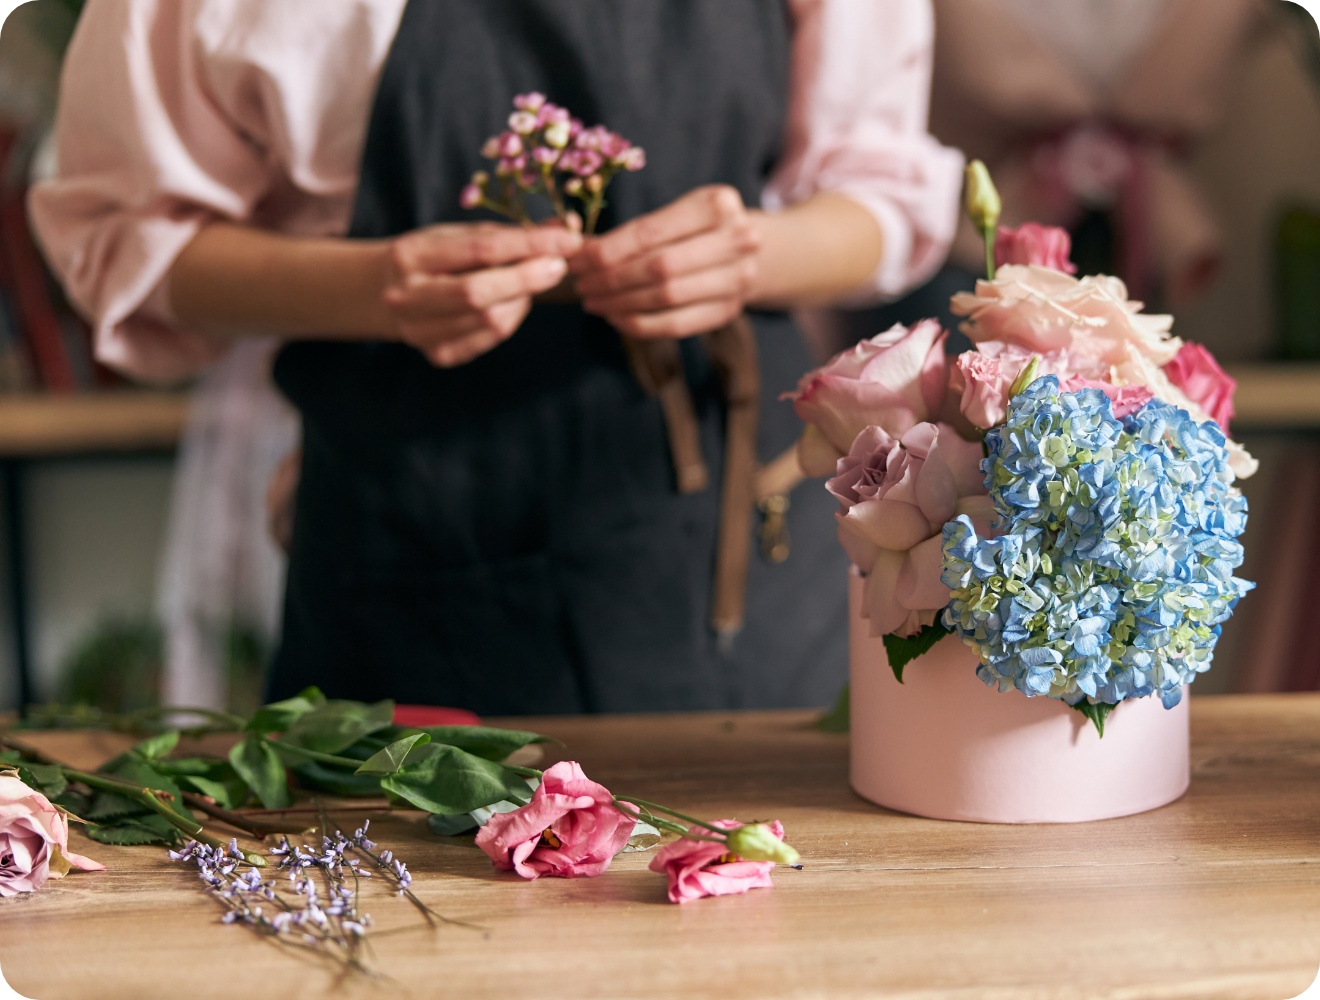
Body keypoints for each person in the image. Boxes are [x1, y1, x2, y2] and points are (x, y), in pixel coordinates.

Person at [31, 0, 962, 714]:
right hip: (405, 577)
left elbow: (883, 193)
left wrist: (750, 254)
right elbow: (121, 237)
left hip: (745, 580)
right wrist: (375, 287)